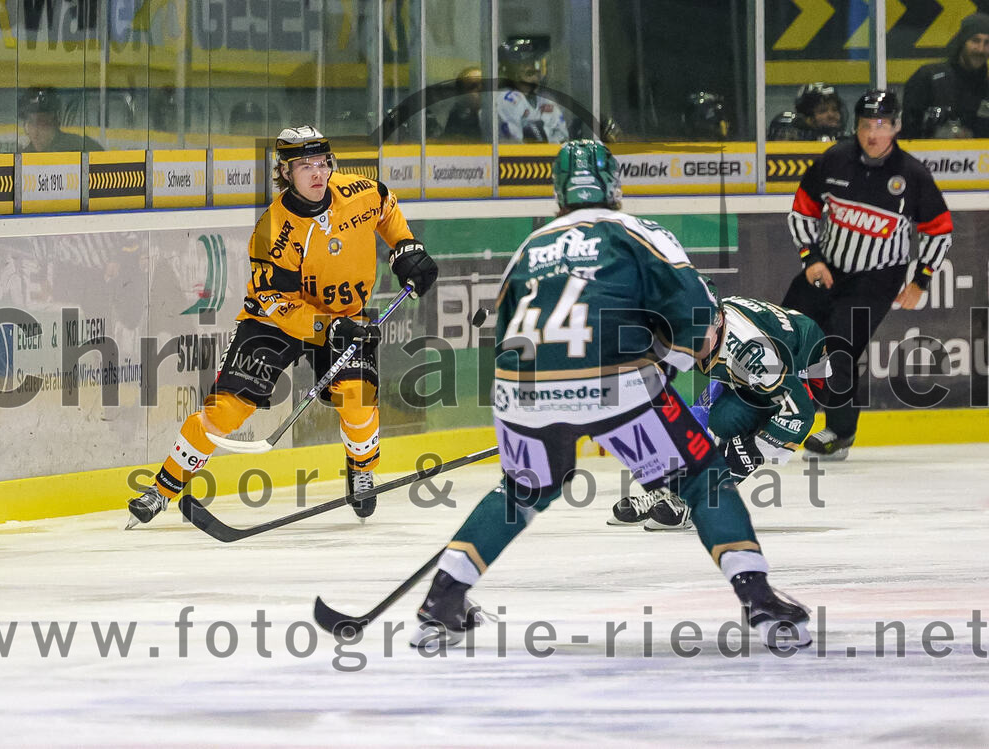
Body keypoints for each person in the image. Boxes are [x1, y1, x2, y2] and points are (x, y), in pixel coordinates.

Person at [408, 139, 812, 651]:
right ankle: (758, 598)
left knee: (523, 491)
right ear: (615, 188)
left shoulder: (529, 247)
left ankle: (441, 600)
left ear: (557, 195)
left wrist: (547, 404)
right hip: (616, 383)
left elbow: (504, 333)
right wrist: (661, 371)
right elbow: (696, 315)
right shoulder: (638, 232)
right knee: (703, 478)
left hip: (520, 388)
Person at [127, 126, 438, 526]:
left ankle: (361, 468)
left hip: (344, 315)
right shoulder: (272, 232)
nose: (317, 173)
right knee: (226, 409)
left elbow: (386, 205)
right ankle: (161, 489)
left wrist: (405, 246)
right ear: (285, 172)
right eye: (304, 165)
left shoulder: (360, 192)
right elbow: (280, 304)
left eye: (322, 163)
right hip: (273, 321)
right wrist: (328, 328)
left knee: (357, 397)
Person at [781, 90, 953, 460]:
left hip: (876, 280)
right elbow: (801, 209)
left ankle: (840, 434)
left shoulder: (911, 175)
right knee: (786, 331)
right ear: (855, 127)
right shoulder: (836, 159)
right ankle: (767, 412)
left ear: (896, 127)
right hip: (827, 267)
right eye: (865, 125)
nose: (872, 134)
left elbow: (939, 229)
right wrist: (811, 258)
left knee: (840, 349)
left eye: (881, 125)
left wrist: (920, 280)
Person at [609, 292, 830, 530]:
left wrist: (754, 450)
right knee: (702, 418)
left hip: (803, 371)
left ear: (718, 323)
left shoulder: (751, 351)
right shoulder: (701, 330)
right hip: (754, 369)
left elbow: (799, 411)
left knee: (735, 437)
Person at [902, 13, 989, 138]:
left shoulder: (986, 88)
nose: (981, 49)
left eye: (987, 43)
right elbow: (908, 134)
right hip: (928, 156)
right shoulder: (928, 78)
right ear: (962, 42)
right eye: (975, 41)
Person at [497, 36, 569, 143]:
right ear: (510, 69)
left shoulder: (546, 100)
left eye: (535, 62)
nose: (533, 67)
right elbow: (518, 145)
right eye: (524, 63)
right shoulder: (504, 98)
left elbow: (563, 139)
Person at [20, 87, 102, 153]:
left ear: (56, 120)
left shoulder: (82, 146)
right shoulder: (23, 156)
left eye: (42, 123)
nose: (35, 132)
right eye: (31, 123)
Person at [767, 83, 846, 142]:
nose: (831, 115)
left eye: (835, 109)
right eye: (822, 111)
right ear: (807, 117)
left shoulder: (845, 142)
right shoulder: (797, 141)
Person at [442, 66, 485, 141]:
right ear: (462, 94)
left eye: (484, 85)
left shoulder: (502, 115)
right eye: (473, 86)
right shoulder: (456, 122)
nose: (481, 90)